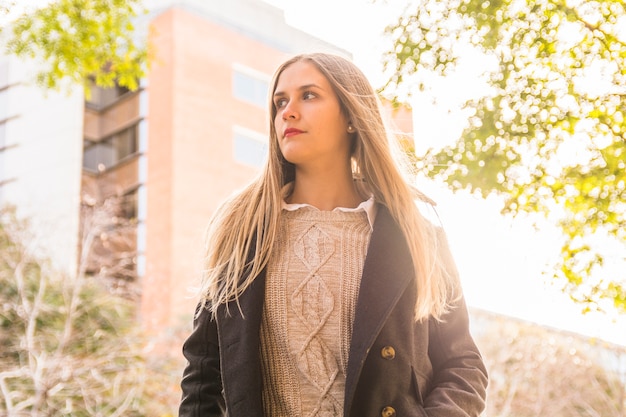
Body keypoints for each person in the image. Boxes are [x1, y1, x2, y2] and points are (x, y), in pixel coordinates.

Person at [179, 52, 488, 417]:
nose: (288, 112)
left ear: (351, 117)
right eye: (280, 102)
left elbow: (463, 366)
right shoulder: (242, 233)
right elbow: (203, 379)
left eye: (308, 95)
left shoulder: (417, 237)